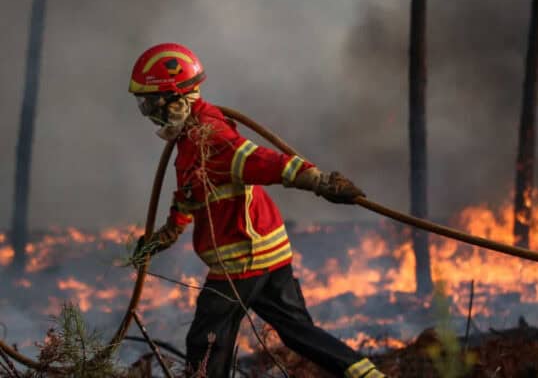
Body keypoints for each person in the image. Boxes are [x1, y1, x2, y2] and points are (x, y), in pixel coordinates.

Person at [129, 42, 385, 378]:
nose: (148, 112)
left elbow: (262, 162)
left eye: (151, 102)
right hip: (269, 252)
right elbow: (193, 189)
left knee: (206, 344)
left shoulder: (211, 136)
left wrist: (321, 182)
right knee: (298, 332)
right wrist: (170, 230)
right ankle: (365, 374)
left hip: (241, 259)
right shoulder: (192, 136)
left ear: (175, 98)